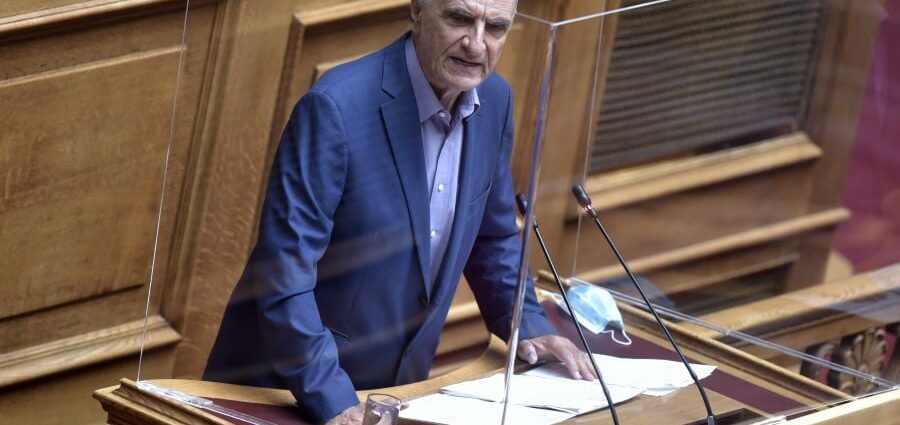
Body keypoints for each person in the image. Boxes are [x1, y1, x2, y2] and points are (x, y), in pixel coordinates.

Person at [204, 0, 596, 423]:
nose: (476, 44)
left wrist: (529, 324)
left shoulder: (495, 100)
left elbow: (492, 237)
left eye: (496, 27)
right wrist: (333, 397)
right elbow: (284, 274)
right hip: (284, 394)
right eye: (460, 18)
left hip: (395, 393)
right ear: (417, 10)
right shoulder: (335, 108)